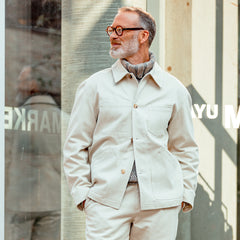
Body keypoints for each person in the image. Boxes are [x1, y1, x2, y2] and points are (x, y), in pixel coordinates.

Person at [63, 6, 199, 240]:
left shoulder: (174, 90)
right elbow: (75, 145)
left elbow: (185, 147)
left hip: (160, 203)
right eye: (111, 30)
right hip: (106, 201)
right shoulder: (93, 87)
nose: (112, 36)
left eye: (120, 29)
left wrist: (184, 194)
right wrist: (83, 195)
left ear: (143, 35)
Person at [5, 65, 61, 240]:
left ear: (34, 85)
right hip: (54, 200)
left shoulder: (13, 118)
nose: (17, 87)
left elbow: (5, 159)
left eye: (21, 82)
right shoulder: (64, 119)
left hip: (20, 201)